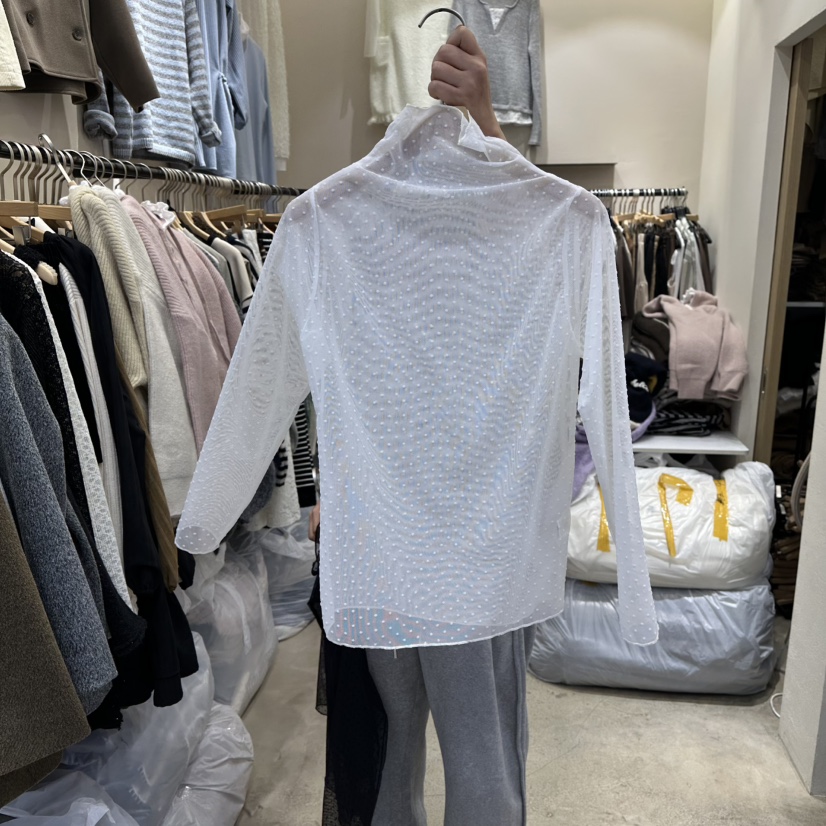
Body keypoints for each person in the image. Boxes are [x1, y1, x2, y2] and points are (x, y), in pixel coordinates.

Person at [308, 24, 534, 826]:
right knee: (436, 746)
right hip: (427, 534)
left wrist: (486, 122)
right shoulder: (345, 221)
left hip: (431, 534)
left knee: (426, 744)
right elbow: (332, 378)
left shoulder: (358, 223)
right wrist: (328, 487)